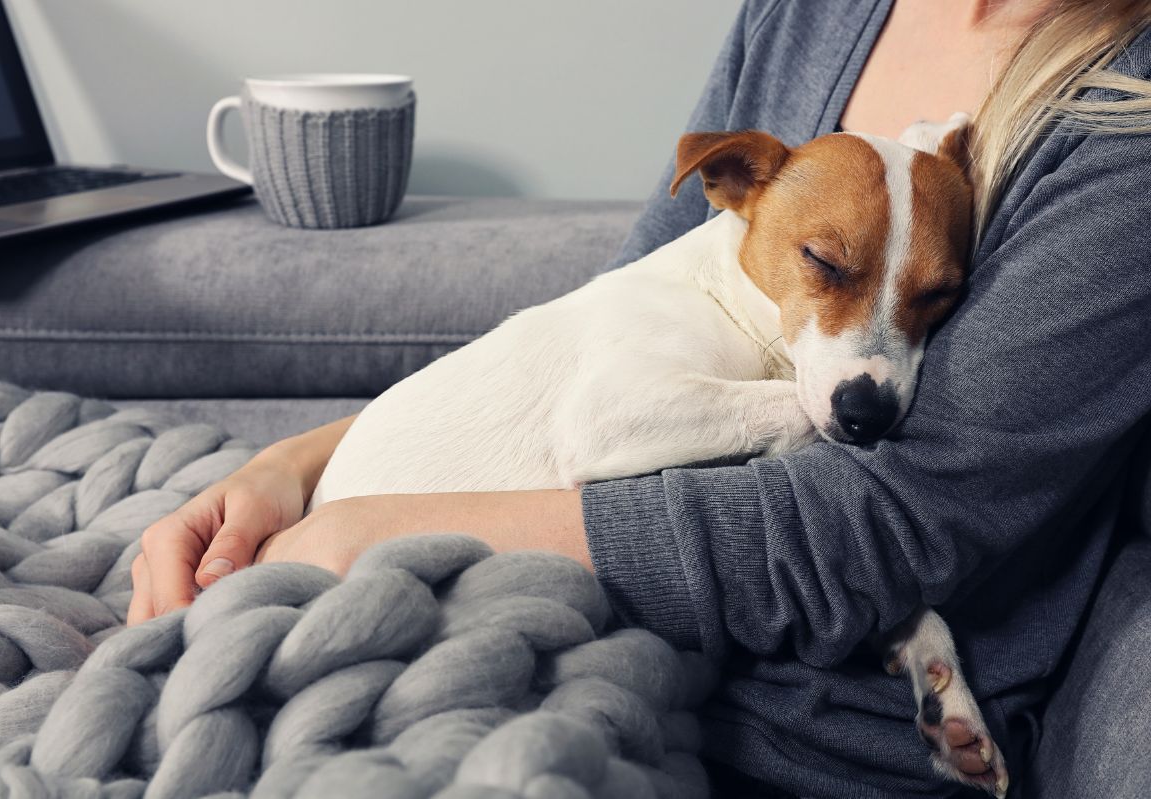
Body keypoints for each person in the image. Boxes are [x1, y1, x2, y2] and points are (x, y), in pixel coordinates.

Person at [128, 1, 1151, 796]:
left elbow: (881, 528)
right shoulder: (817, 13)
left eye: (932, 298)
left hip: (778, 732)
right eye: (828, 270)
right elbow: (609, 326)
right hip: (520, 625)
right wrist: (293, 469)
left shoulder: (1123, 113)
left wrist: (374, 532)